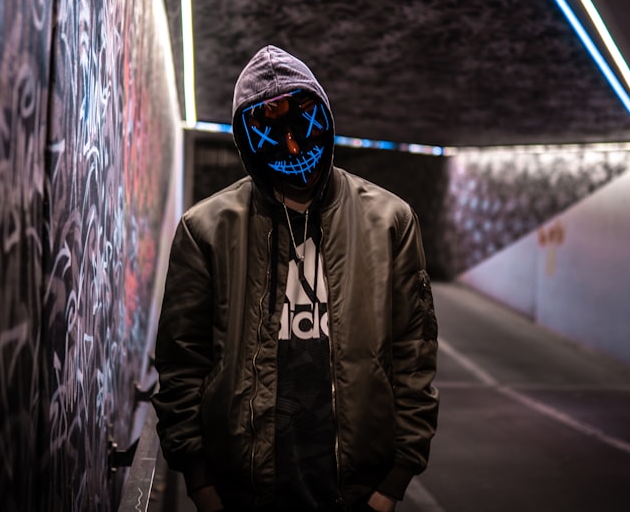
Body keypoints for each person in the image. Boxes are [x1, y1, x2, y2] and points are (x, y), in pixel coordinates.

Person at [153, 45, 438, 512]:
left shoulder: (390, 222)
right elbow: (182, 364)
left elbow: (414, 356)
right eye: (271, 135)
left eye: (302, 130)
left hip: (359, 489)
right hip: (242, 489)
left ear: (324, 119)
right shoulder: (206, 230)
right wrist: (202, 485)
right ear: (246, 144)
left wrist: (393, 484)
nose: (291, 149)